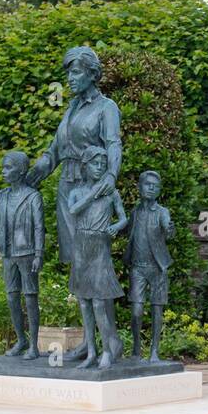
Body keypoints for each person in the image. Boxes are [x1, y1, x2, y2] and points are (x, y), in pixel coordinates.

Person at [27, 45, 122, 363]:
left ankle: (111, 344)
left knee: (95, 269)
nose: (70, 78)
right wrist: (35, 172)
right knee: (79, 270)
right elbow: (54, 150)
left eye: (76, 71)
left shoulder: (106, 107)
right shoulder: (70, 110)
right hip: (67, 190)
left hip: (90, 190)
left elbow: (113, 144)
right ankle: (88, 344)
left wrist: (111, 174)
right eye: (68, 72)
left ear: (92, 74)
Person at [65, 146, 127, 369]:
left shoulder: (112, 193)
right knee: (83, 302)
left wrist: (116, 227)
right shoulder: (76, 192)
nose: (99, 168)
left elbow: (123, 218)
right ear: (86, 166)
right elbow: (73, 210)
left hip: (100, 246)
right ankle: (91, 351)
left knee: (99, 302)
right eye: (95, 164)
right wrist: (93, 193)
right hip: (81, 246)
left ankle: (107, 351)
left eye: (103, 164)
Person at [0, 150, 45, 359]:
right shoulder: (3, 197)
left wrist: (38, 253)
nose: (3, 172)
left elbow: (39, 227)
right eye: (3, 167)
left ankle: (34, 346)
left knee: (30, 298)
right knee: (11, 298)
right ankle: (21, 340)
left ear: (21, 170)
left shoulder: (33, 197)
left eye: (8, 167)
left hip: (27, 253)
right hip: (9, 254)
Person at [125, 170, 174, 361]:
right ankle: (136, 350)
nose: (151, 188)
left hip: (157, 267)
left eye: (155, 186)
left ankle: (154, 350)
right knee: (136, 311)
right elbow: (128, 233)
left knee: (156, 310)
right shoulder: (134, 212)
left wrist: (170, 229)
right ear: (140, 187)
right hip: (137, 267)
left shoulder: (162, 212)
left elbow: (167, 227)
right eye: (148, 184)